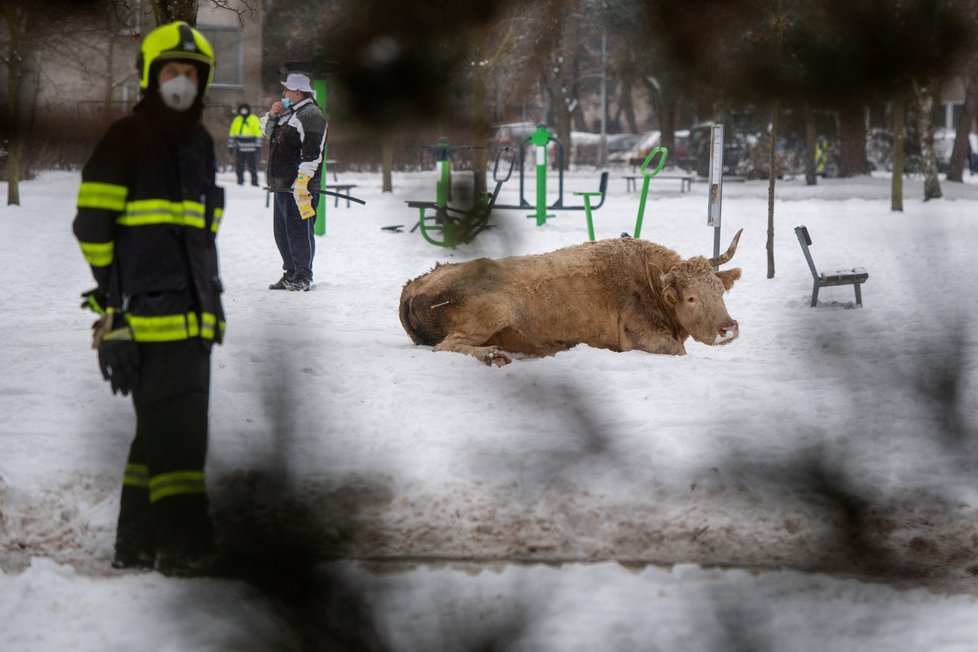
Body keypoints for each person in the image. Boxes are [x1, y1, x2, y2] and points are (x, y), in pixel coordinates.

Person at [73, 21, 225, 577]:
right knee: (180, 441)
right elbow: (91, 227)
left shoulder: (198, 144)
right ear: (149, 77)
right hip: (150, 321)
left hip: (196, 319)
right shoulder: (126, 139)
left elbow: (197, 239)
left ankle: (135, 545)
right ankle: (188, 548)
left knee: (158, 434)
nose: (180, 81)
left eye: (190, 72)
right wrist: (113, 312)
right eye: (171, 71)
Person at [261, 72, 327, 292]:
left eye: (287, 90)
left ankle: (303, 275)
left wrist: (302, 181)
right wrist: (272, 115)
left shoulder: (311, 115)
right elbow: (268, 134)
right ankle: (290, 272)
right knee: (282, 232)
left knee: (299, 232)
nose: (284, 94)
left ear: (298, 92)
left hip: (300, 188)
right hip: (282, 186)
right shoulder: (289, 113)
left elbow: (313, 154)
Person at [228, 103, 262, 186]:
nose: (243, 111)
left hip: (251, 149)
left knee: (252, 167)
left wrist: (258, 145)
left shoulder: (254, 119)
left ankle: (254, 182)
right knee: (239, 167)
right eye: (242, 109)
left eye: (245, 109)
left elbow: (258, 134)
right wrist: (231, 146)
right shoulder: (237, 120)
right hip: (239, 148)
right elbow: (232, 134)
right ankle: (240, 181)